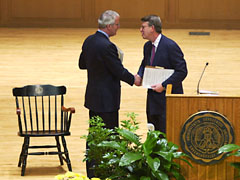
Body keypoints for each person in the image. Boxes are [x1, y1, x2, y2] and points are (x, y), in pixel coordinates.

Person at [79, 10, 137, 178]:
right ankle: (106, 172)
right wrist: (134, 79)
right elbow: (118, 71)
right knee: (110, 136)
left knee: (94, 135)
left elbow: (82, 64)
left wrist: (98, 65)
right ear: (109, 26)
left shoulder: (89, 40)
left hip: (93, 97)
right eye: (117, 24)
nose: (118, 28)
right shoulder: (108, 46)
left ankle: (92, 171)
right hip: (107, 100)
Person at [135, 15, 188, 134]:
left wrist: (164, 85)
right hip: (152, 98)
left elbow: (182, 71)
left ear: (152, 28)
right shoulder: (147, 46)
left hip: (168, 99)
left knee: (168, 132)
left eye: (143, 27)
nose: (140, 30)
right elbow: (145, 63)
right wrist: (140, 75)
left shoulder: (170, 46)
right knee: (153, 131)